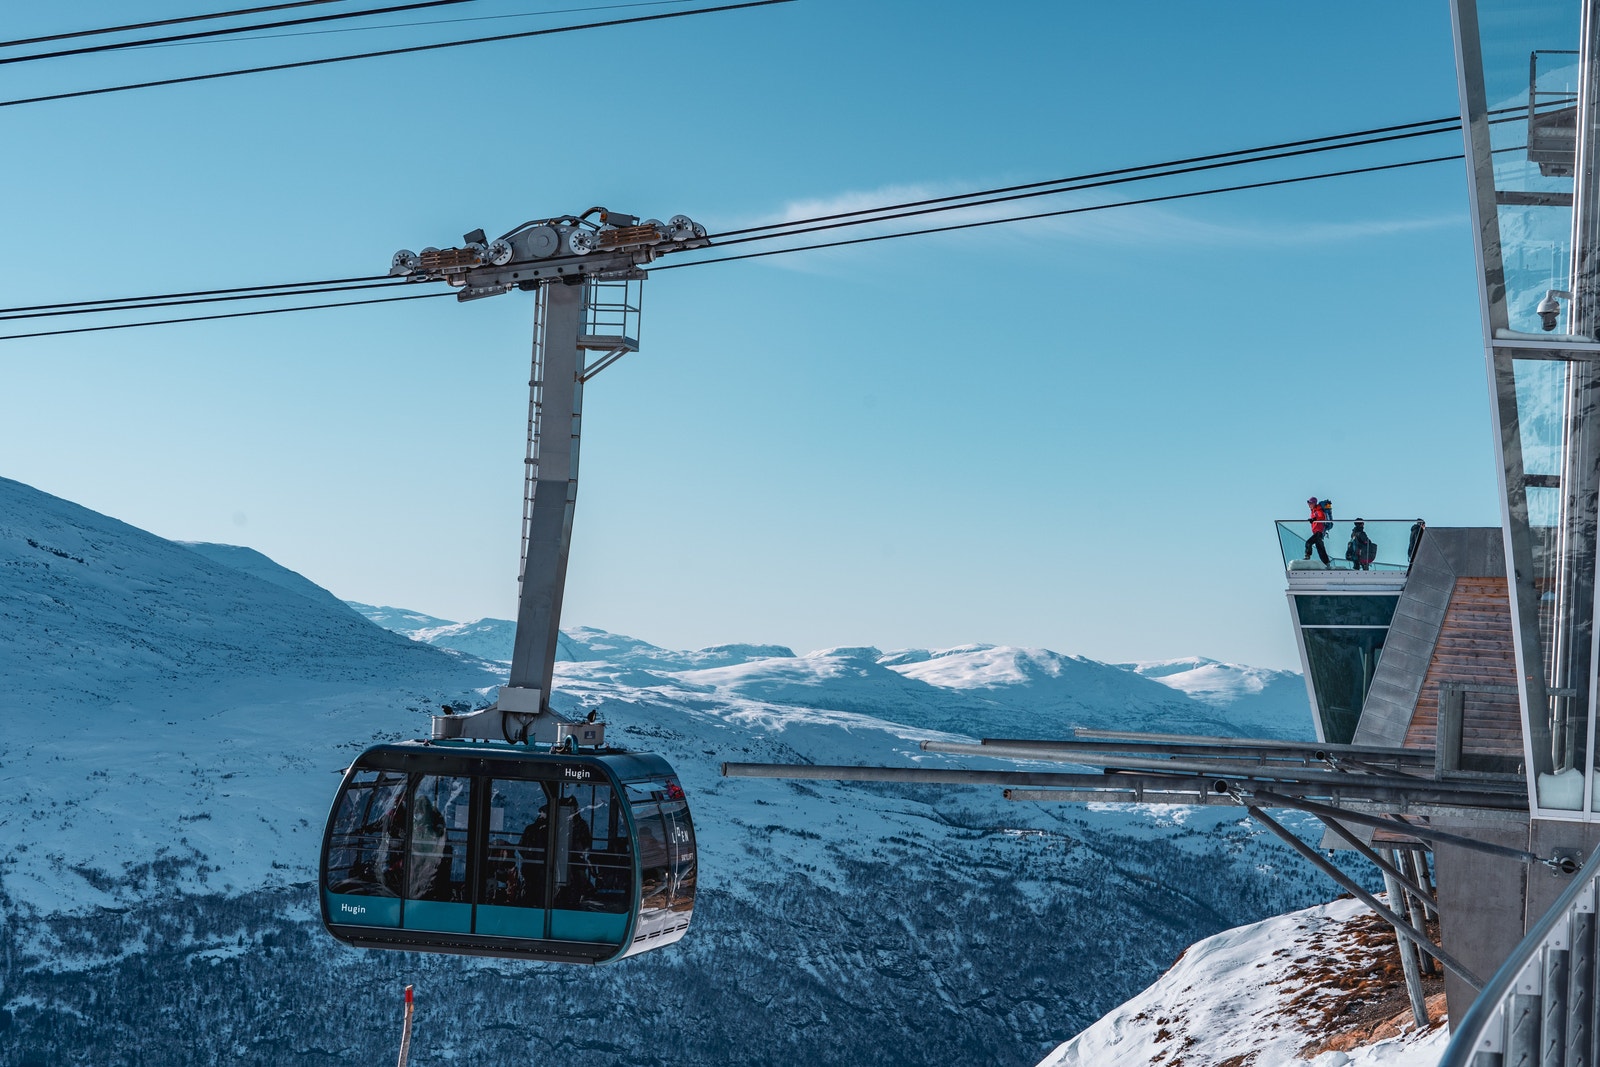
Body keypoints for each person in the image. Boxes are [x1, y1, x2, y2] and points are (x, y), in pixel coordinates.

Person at [1303, 496, 1331, 566]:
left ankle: (1307, 556)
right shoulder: (1313, 511)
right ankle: (1327, 563)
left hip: (1319, 531)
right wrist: (1313, 519)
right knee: (1320, 549)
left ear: (1314, 503)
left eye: (1310, 503)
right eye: (1308, 503)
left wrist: (1314, 519)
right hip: (1317, 532)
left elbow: (1322, 517)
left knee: (1308, 543)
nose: (1309, 505)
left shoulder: (1318, 509)